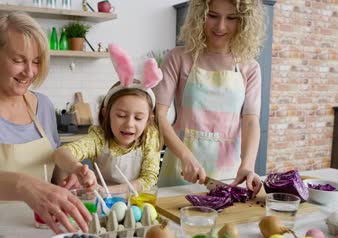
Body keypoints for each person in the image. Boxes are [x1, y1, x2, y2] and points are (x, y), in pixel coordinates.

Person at [0, 10, 91, 234]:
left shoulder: (43, 105)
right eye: (18, 60)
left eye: (36, 61)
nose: (30, 72)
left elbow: (52, 176)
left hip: (38, 231)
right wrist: (24, 186)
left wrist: (70, 178)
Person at [155, 0, 265, 195]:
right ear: (199, 15)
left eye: (231, 18)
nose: (221, 26)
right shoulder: (178, 57)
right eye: (212, 15)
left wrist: (247, 165)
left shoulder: (250, 67)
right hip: (180, 168)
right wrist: (185, 157)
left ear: (244, 21)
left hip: (228, 173)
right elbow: (159, 115)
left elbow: (250, 121)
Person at [53, 44, 163, 194]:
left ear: (149, 119)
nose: (129, 124)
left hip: (139, 201)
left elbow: (148, 180)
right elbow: (61, 153)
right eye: (121, 115)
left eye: (138, 118)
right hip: (104, 203)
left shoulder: (150, 136)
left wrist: (106, 190)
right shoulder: (99, 138)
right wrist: (77, 169)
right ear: (106, 113)